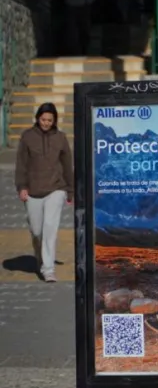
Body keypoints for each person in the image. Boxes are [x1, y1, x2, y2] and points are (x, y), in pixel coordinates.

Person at [14, 103, 73, 282]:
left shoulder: (61, 138)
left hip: (56, 188)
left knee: (50, 228)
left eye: (50, 120)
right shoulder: (27, 137)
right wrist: (22, 187)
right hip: (32, 190)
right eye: (43, 119)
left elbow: (67, 166)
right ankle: (40, 259)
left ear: (54, 120)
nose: (46, 123)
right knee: (37, 230)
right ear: (37, 118)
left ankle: (48, 270)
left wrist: (69, 191)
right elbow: (21, 164)